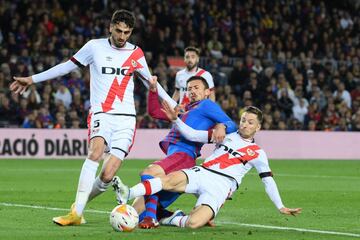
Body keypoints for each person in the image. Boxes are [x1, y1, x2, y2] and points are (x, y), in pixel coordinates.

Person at [10, 9, 176, 226]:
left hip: (126, 119)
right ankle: (76, 213)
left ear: (131, 32)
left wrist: (173, 105)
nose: (122, 36)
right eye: (118, 30)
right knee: (95, 152)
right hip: (102, 113)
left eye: (126, 32)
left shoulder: (136, 53)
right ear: (110, 27)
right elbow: (65, 68)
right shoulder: (94, 47)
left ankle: (79, 205)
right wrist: (32, 79)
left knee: (108, 175)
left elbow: (151, 83)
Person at [114, 105, 302, 229]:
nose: (245, 124)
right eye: (244, 119)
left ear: (258, 127)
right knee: (167, 181)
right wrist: (175, 120)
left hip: (221, 187)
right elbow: (194, 135)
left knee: (194, 223)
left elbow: (268, 181)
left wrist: (281, 206)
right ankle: (127, 193)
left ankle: (168, 218)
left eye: (250, 122)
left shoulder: (258, 153)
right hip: (202, 172)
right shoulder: (227, 134)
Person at [113, 75, 237, 228]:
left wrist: (223, 126)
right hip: (175, 156)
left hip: (184, 155)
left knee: (150, 173)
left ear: (207, 92)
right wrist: (152, 91)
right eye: (189, 88)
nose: (192, 91)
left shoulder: (206, 105)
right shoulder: (185, 108)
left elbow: (231, 124)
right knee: (138, 211)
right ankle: (170, 216)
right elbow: (155, 113)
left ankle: (151, 219)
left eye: (196, 88)